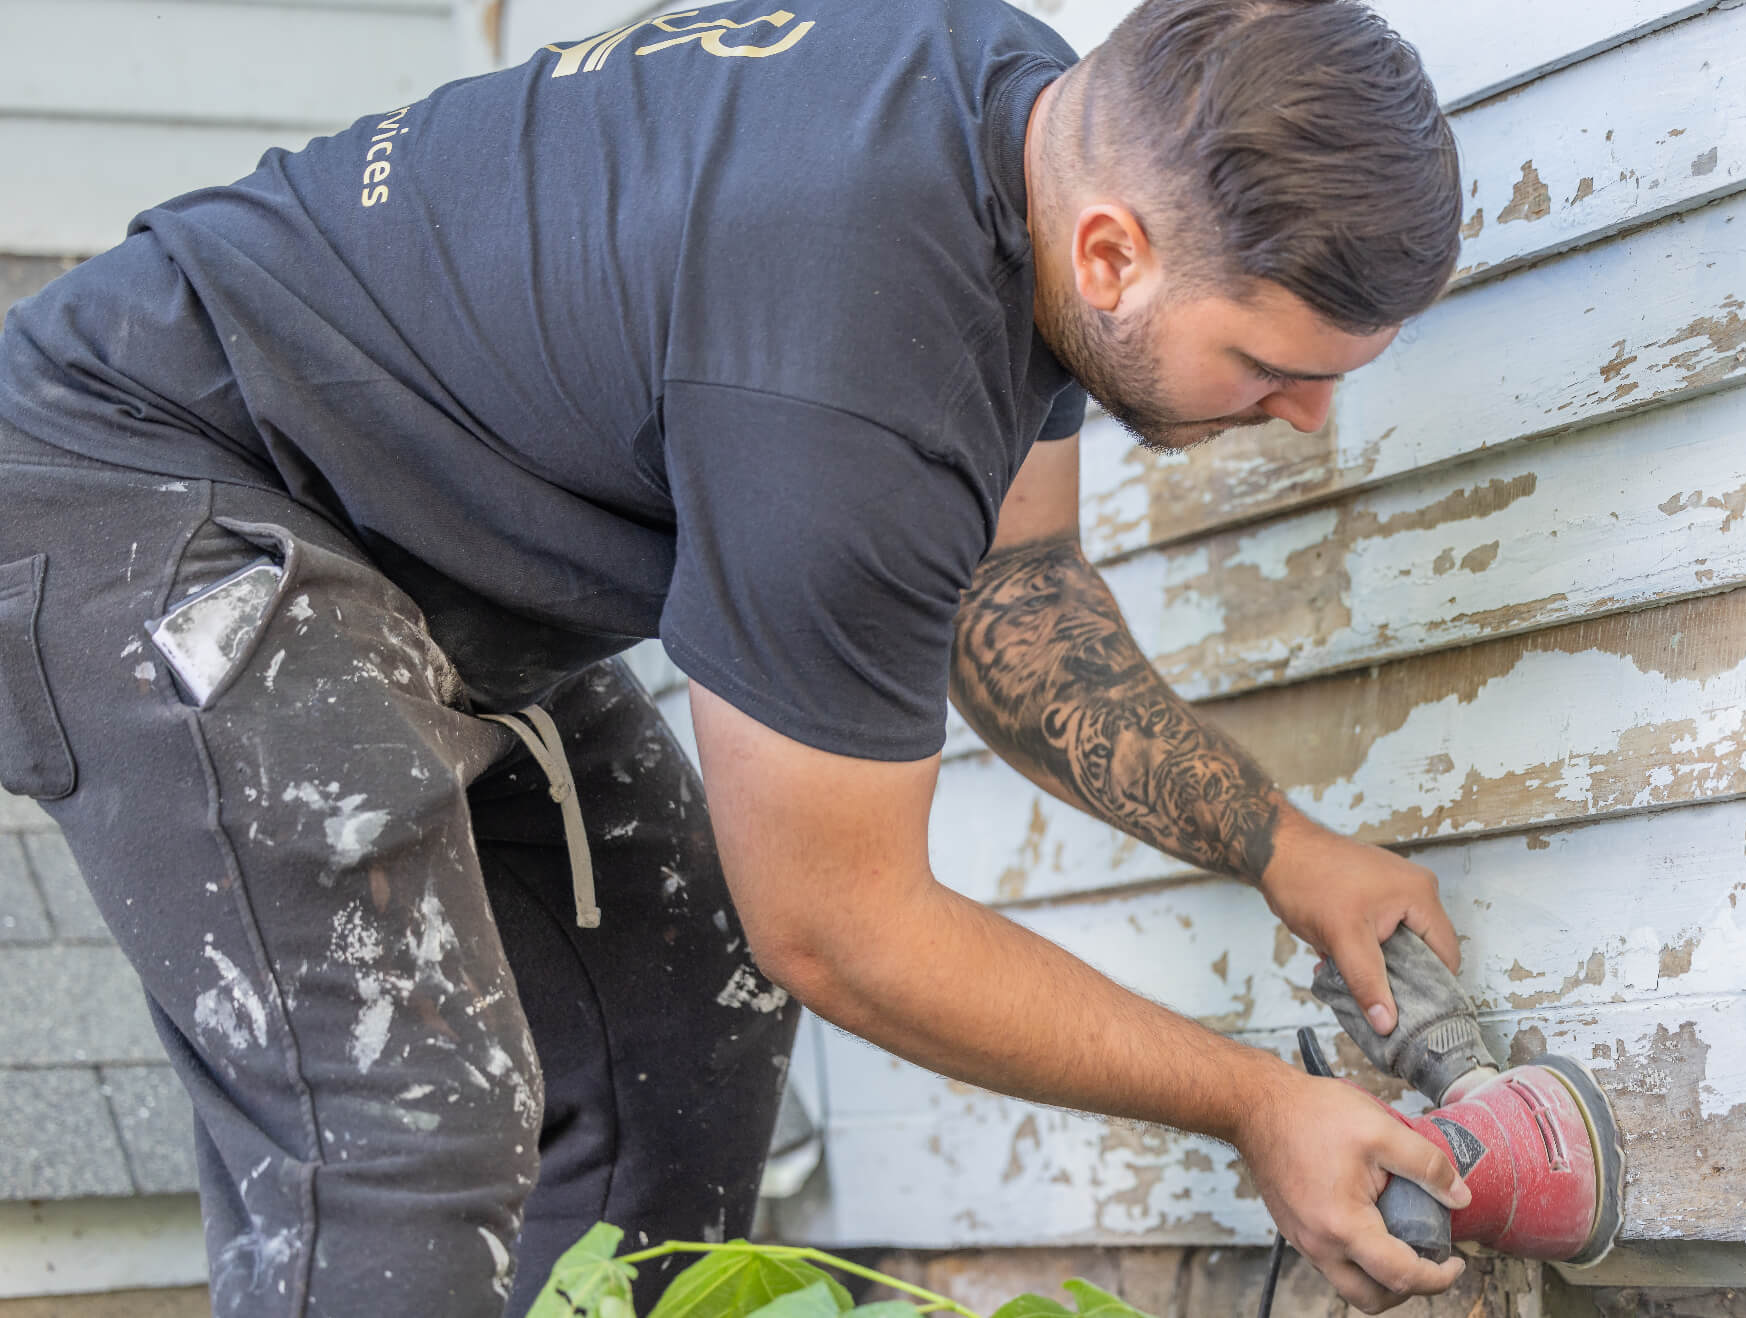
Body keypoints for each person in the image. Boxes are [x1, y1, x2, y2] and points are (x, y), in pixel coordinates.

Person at [0, 0, 1468, 1311]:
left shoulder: (1031, 124)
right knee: (403, 1126)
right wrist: (1257, 1102)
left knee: (676, 1016)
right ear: (1113, 256)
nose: (1306, 420)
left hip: (401, 544)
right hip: (143, 488)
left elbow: (1014, 596)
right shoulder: (847, 372)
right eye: (1273, 369)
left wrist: (1285, 850)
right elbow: (839, 929)